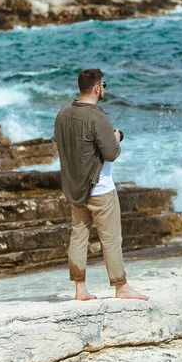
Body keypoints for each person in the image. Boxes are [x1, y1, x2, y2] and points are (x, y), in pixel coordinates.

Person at [54, 68, 149, 301]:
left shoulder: (63, 114)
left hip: (75, 188)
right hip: (100, 189)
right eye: (104, 85)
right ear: (97, 88)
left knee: (78, 236)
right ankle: (121, 287)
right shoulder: (97, 117)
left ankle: (80, 290)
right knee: (111, 239)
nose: (104, 89)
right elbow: (111, 153)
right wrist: (115, 137)